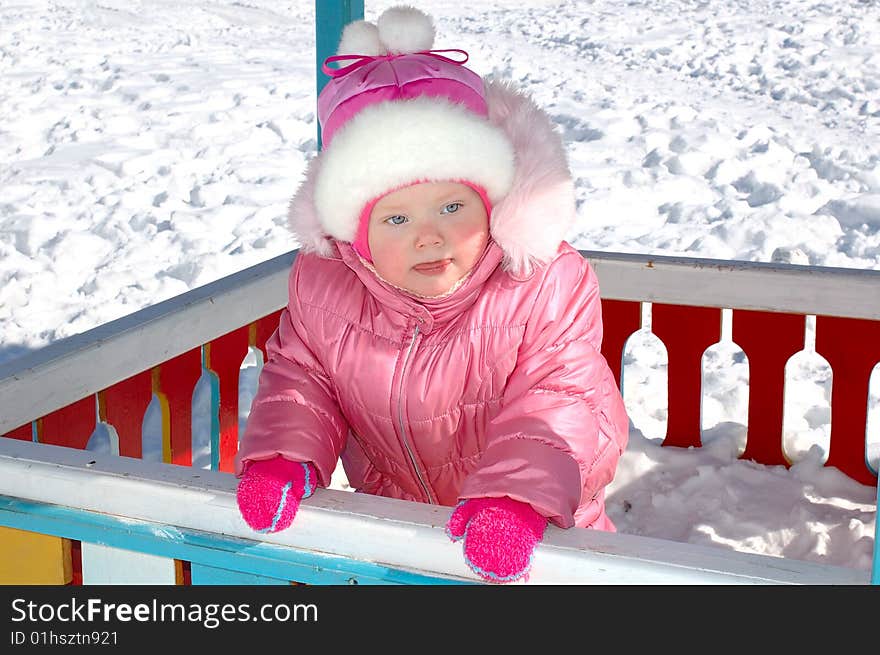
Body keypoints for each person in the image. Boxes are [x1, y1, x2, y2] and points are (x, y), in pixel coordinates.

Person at [234, 5, 630, 584]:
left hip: (543, 537)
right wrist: (283, 456)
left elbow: (561, 395)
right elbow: (301, 376)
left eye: (452, 206)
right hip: (403, 537)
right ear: (357, 235)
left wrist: (518, 498)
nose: (430, 235)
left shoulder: (540, 283)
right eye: (395, 218)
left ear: (491, 202)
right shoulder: (326, 284)